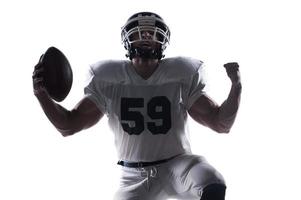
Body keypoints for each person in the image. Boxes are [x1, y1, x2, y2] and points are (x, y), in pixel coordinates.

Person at [32, 12, 241, 200]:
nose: (147, 37)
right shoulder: (108, 79)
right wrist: (41, 95)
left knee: (212, 181)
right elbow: (68, 125)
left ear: (163, 41)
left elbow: (221, 124)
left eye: (152, 33)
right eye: (140, 33)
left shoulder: (180, 76)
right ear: (127, 40)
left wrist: (236, 87)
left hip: (178, 165)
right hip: (133, 176)